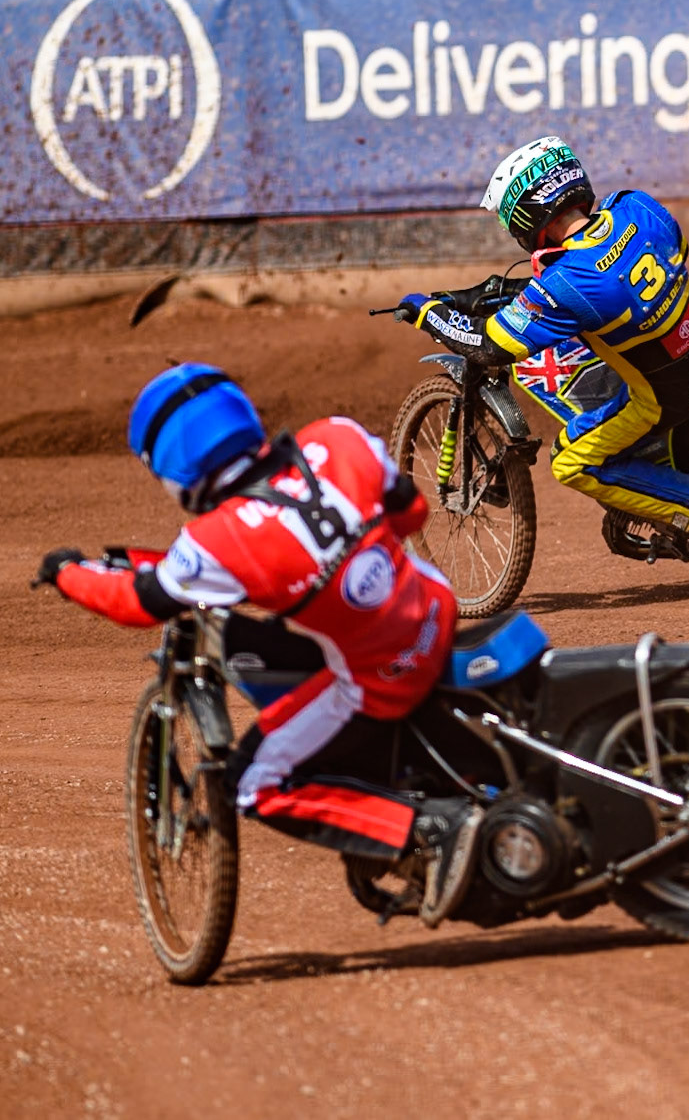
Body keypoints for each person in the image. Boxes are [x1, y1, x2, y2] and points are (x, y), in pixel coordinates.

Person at [33, 364, 481, 928]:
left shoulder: (215, 540)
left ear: (173, 467)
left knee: (252, 783)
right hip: (438, 610)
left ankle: (429, 830)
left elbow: (139, 603)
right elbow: (411, 512)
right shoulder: (337, 437)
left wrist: (67, 572)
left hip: (385, 674)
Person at [399, 136, 689, 580]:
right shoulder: (635, 206)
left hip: (666, 396)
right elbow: (654, 260)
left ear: (526, 216)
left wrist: (428, 313)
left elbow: (490, 346)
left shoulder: (565, 282)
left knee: (570, 460)